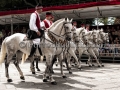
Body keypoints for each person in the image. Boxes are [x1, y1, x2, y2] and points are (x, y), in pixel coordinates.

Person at [28, 4, 45, 72]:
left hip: (36, 30)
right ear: (38, 9)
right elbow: (32, 24)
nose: (42, 10)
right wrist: (37, 30)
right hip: (33, 31)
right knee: (37, 41)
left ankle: (41, 51)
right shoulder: (34, 14)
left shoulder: (38, 15)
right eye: (41, 9)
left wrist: (42, 27)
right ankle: (31, 54)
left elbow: (39, 24)